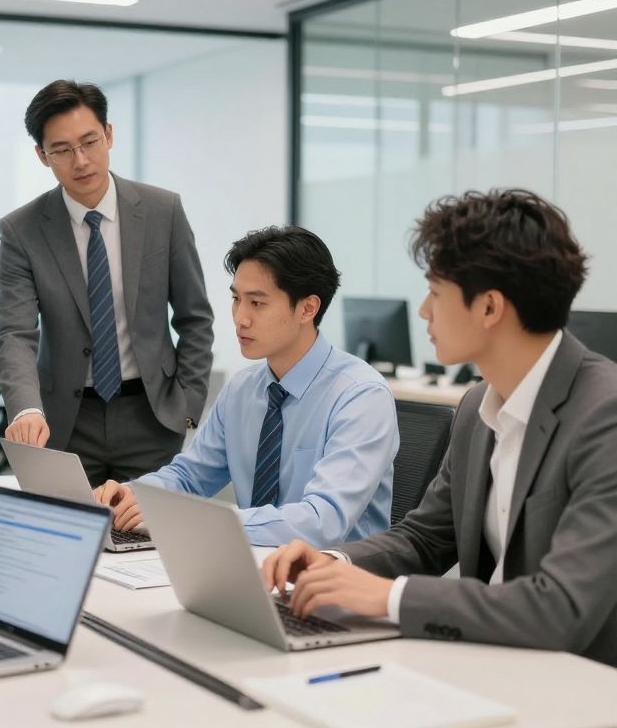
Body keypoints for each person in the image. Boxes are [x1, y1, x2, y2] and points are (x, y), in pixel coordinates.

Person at [262, 189, 617, 667]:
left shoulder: (605, 417)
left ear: (490, 307)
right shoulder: (477, 407)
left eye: (436, 292)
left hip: (582, 683)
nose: (424, 311)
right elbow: (425, 539)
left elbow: (562, 607)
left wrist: (388, 599)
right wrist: (336, 564)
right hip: (490, 657)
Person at [95, 226, 397, 546]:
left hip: (334, 578)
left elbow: (322, 521)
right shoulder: (243, 389)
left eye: (257, 303)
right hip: (250, 565)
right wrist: (133, 495)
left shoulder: (360, 397)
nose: (240, 318)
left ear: (307, 308)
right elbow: (189, 476)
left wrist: (193, 519)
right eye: (236, 299)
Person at [0, 80, 214, 486]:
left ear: (109, 135)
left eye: (90, 142)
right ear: (42, 156)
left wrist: (187, 406)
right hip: (65, 423)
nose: (81, 161)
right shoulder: (22, 230)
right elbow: (14, 333)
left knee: (150, 542)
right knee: (65, 541)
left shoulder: (162, 211)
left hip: (151, 416)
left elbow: (195, 317)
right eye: (62, 149)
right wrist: (26, 409)